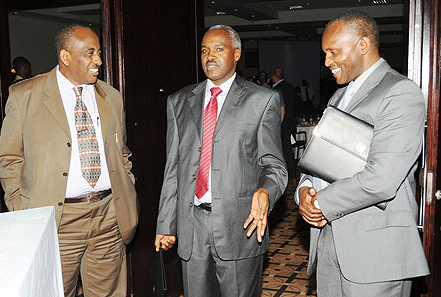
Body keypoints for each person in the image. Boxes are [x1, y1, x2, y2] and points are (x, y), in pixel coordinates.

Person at [0, 25, 138, 297]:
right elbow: (8, 159)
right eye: (90, 53)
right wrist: (23, 210)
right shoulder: (25, 96)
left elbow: (122, 154)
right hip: (57, 221)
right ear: (66, 56)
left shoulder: (111, 96)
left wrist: (126, 186)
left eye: (98, 53)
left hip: (109, 217)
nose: (98, 61)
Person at [295, 10, 429, 297]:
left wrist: (322, 203)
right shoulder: (338, 96)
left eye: (333, 52)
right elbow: (318, 158)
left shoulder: (400, 93)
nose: (327, 62)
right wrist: (305, 190)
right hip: (330, 243)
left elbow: (382, 179)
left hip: (375, 254)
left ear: (363, 45)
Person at [154, 25, 287, 297]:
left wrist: (265, 192)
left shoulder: (262, 100)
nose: (209, 56)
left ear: (236, 54)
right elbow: (173, 170)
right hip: (192, 227)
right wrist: (166, 225)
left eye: (218, 49)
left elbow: (275, 167)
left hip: (240, 227)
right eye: (204, 51)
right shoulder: (178, 101)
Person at [271, 67, 298, 180]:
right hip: (291, 122)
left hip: (282, 124)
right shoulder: (290, 87)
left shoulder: (277, 90)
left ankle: (287, 174)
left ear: (274, 76)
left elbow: (282, 109)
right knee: (287, 149)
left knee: (283, 149)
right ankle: (291, 173)